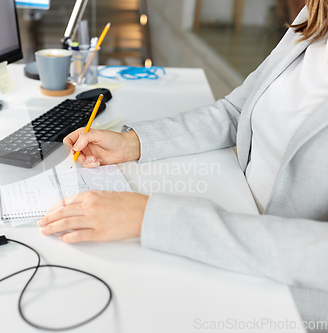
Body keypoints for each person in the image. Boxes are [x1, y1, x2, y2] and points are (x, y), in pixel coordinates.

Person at [39, 1, 328, 329]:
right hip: (234, 218)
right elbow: (235, 110)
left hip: (290, 297)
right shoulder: (315, 17)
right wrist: (134, 143)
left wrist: (153, 217)